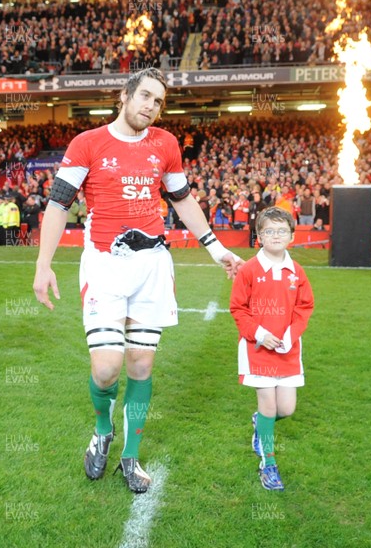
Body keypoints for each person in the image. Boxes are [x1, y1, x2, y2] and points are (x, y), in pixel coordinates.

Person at [33, 67, 243, 494]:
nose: (151, 106)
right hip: (105, 264)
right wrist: (43, 264)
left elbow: (183, 201)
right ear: (124, 96)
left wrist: (216, 248)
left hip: (152, 266)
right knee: (107, 370)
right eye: (145, 96)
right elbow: (58, 205)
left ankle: (130, 457)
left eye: (158, 101)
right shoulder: (87, 144)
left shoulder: (165, 144)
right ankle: (102, 430)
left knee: (141, 364)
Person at [230, 207, 314, 491]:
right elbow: (238, 308)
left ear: (291, 236)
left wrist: (290, 336)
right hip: (258, 351)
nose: (275, 236)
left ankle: (260, 423)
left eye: (281, 231)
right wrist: (260, 334)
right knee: (268, 405)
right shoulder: (249, 270)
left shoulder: (297, 272)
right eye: (269, 231)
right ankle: (269, 465)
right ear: (259, 236)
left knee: (286, 409)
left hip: (288, 350)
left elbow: (305, 307)